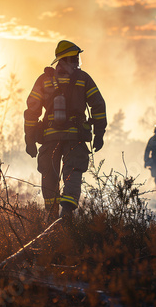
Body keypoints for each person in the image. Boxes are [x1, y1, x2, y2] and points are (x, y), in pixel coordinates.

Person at [24, 40, 107, 221]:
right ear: (68, 58)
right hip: (75, 138)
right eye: (75, 58)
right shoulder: (83, 79)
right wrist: (99, 133)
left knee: (49, 173)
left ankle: (52, 215)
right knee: (73, 171)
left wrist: (29, 139)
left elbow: (32, 111)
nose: (77, 61)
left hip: (49, 138)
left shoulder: (44, 80)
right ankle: (67, 212)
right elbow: (98, 106)